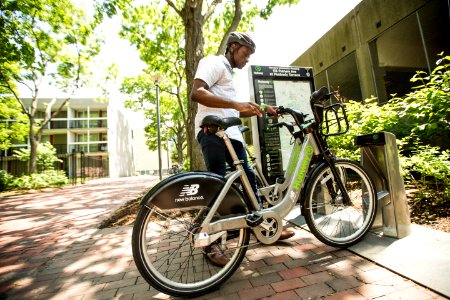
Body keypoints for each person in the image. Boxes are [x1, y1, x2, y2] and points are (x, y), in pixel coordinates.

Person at [190, 32, 294, 267]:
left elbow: (236, 110)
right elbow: (197, 92)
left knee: (249, 181)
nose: (247, 60)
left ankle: (262, 226)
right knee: (216, 184)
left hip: (232, 136)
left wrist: (264, 108)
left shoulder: (228, 76)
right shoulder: (214, 62)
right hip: (213, 132)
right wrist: (235, 104)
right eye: (245, 54)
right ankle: (208, 240)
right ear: (233, 47)